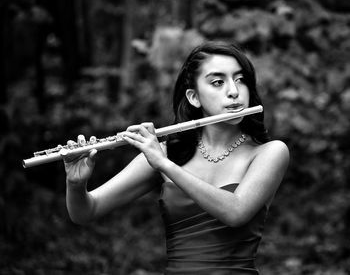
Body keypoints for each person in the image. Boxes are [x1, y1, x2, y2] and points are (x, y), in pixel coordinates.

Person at [63, 41, 290, 274]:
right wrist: (76, 184)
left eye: (240, 79)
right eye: (218, 82)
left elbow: (236, 212)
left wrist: (164, 164)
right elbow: (86, 212)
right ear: (194, 97)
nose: (233, 91)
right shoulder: (166, 152)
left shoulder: (270, 152)